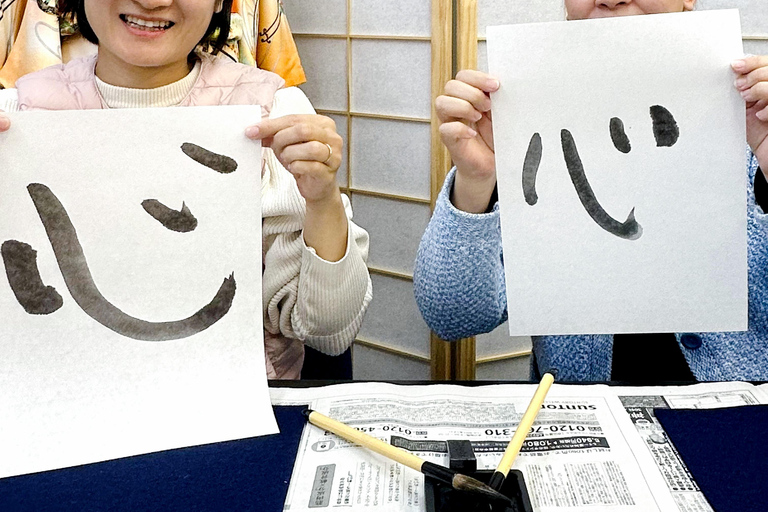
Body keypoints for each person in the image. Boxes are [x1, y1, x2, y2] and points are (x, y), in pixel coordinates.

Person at [0, 0, 372, 379]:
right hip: (60, 409)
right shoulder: (18, 115)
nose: (151, 1)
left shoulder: (273, 114)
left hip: (238, 412)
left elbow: (329, 332)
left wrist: (323, 200)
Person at [414, 0, 768, 382]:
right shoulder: (523, 120)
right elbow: (451, 316)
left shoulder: (753, 114)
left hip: (738, 420)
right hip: (577, 417)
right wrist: (476, 181)